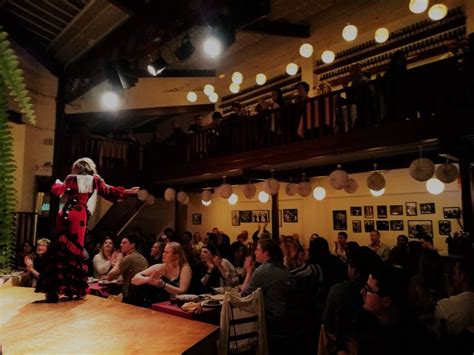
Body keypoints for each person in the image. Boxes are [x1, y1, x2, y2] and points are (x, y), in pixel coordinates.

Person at [35, 157, 139, 303]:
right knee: (75, 250)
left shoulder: (70, 178)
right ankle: (73, 289)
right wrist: (127, 191)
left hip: (64, 213)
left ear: (76, 168)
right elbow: (109, 191)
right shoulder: (95, 179)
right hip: (79, 215)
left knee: (59, 248)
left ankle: (53, 290)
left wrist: (58, 182)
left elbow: (58, 191)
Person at [131, 242, 192, 307]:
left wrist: (163, 285)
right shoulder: (159, 266)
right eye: (163, 252)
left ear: (176, 256)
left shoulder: (185, 268)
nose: (163, 254)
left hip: (176, 306)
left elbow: (182, 291)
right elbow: (134, 279)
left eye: (167, 252)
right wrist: (149, 279)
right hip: (156, 305)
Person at [107, 234, 148, 303]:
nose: (121, 245)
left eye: (124, 243)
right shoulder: (142, 257)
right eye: (121, 243)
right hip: (143, 294)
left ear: (133, 245)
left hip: (131, 295)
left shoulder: (129, 258)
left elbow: (110, 276)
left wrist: (119, 260)